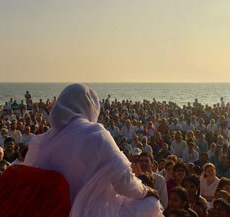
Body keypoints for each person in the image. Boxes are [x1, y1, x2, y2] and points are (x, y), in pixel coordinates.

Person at [24, 84, 163, 217]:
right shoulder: (96, 133)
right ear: (91, 106)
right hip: (91, 211)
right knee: (151, 203)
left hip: (49, 208)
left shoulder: (44, 138)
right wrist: (146, 191)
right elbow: (124, 184)